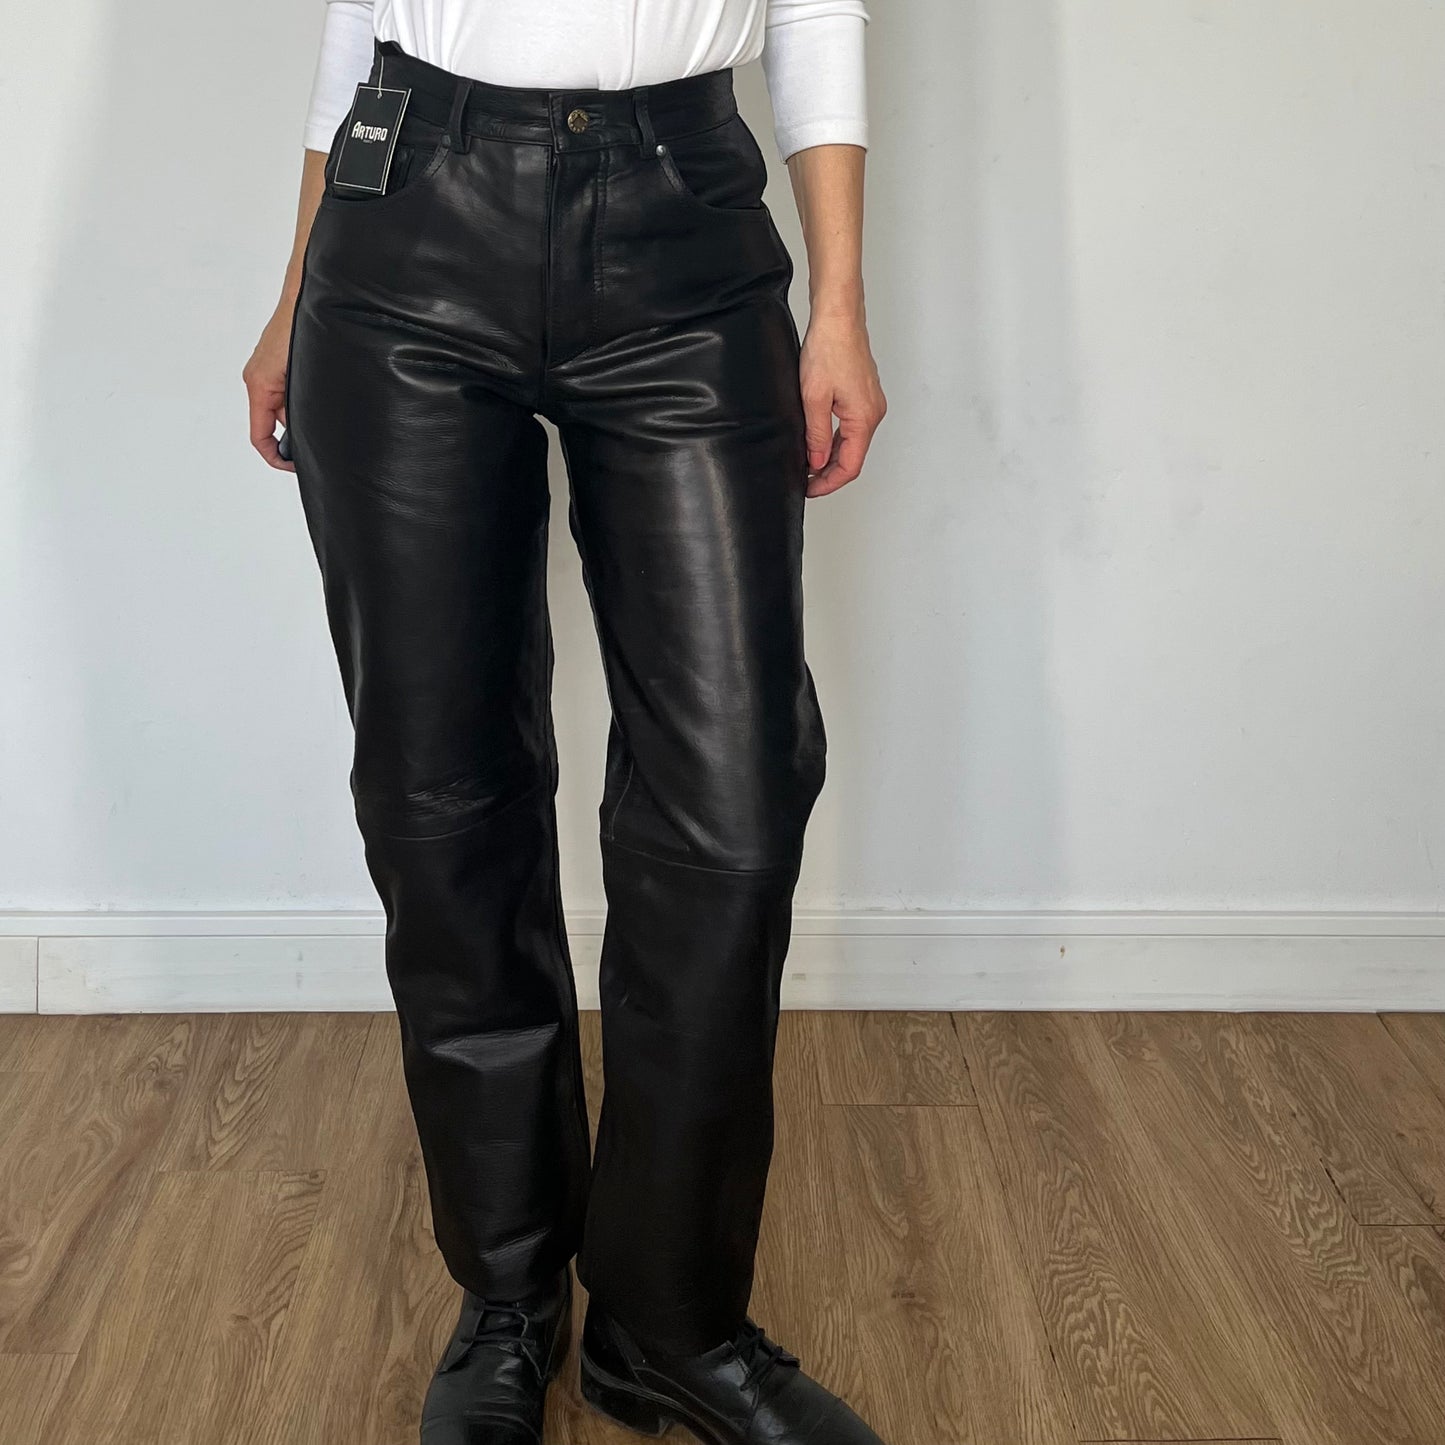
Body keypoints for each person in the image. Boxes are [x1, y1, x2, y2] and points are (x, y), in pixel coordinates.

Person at [242, 3, 887, 1441]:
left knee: (732, 808)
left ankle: (668, 1320)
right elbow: (358, 19)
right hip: (405, 224)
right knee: (442, 795)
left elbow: (816, 10)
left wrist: (839, 304)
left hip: (685, 232)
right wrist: (295, 287)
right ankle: (510, 1290)